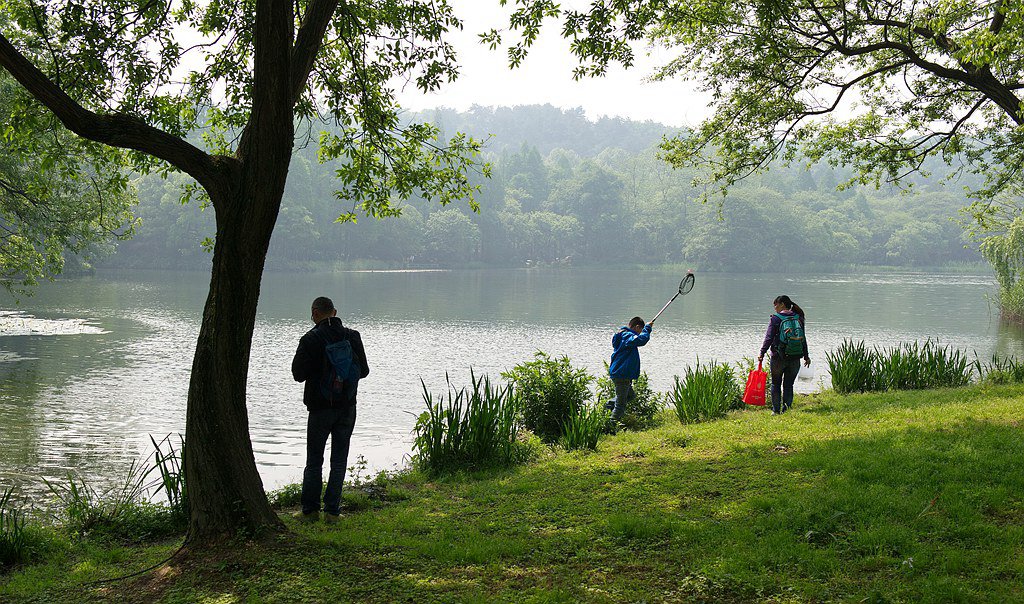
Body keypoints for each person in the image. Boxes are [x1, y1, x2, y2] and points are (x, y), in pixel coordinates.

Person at [291, 296, 370, 523]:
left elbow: (298, 375)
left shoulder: (310, 339)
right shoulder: (352, 336)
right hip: (347, 407)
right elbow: (363, 370)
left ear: (315, 313)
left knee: (314, 460)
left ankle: (310, 511)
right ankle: (333, 513)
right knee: (339, 460)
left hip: (319, 409)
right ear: (334, 312)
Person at [758, 295, 810, 414]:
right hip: (795, 356)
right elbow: (803, 338)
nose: (775, 307)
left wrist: (762, 352)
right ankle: (787, 409)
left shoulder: (776, 318)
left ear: (782, 304)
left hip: (778, 357)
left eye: (775, 304)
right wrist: (806, 356)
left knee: (776, 384)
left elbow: (769, 338)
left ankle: (776, 411)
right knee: (788, 385)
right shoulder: (798, 317)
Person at [605, 316, 652, 423]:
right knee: (621, 405)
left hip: (621, 373)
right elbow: (641, 340)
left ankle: (609, 406)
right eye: (640, 330)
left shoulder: (623, 335)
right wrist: (647, 329)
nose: (640, 333)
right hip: (622, 374)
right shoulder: (627, 335)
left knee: (630, 396)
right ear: (637, 327)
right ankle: (610, 426)